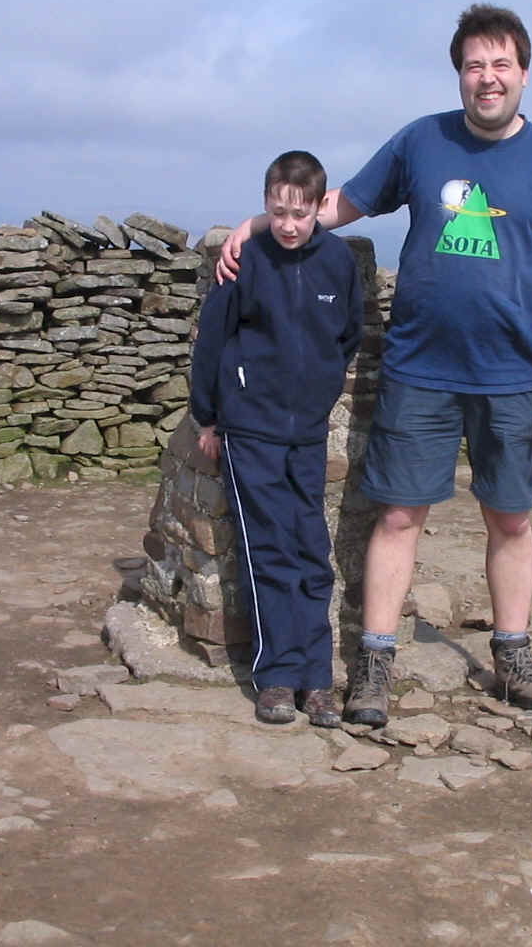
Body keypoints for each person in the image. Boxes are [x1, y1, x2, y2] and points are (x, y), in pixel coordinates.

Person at [217, 4, 532, 727]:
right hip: (420, 367)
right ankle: (374, 660)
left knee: (512, 520)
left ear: (524, 73)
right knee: (399, 514)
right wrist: (261, 222)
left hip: (516, 374)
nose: (487, 78)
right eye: (474, 65)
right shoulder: (421, 142)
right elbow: (346, 205)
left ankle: (513, 653)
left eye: (501, 65)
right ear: (459, 73)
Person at [190, 150, 364, 726]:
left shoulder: (337, 262)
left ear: (319, 206)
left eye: (301, 212)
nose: (289, 224)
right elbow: (212, 342)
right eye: (279, 211)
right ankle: (276, 677)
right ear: (266, 205)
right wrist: (210, 417)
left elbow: (346, 336)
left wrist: (317, 394)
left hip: (307, 433)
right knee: (270, 552)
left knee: (311, 552)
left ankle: (317, 680)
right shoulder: (246, 260)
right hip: (250, 431)